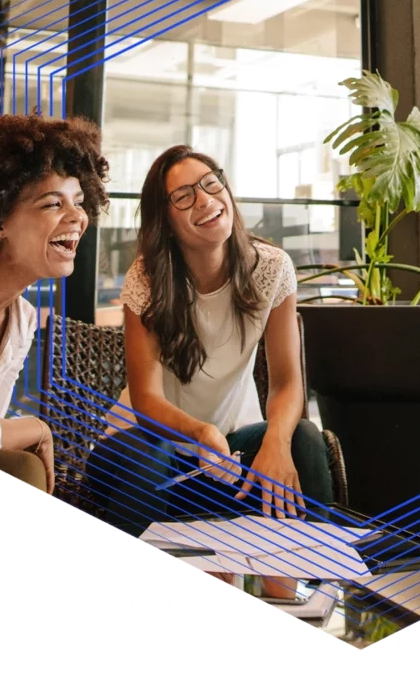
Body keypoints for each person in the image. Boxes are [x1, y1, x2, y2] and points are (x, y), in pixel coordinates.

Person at [83, 145, 334, 542]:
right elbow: (146, 401)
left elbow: (287, 383)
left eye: (211, 184)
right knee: (154, 451)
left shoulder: (271, 268)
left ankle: (320, 577)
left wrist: (276, 442)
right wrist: (200, 432)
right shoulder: (147, 279)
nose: (205, 200)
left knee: (303, 439)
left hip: (221, 459)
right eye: (184, 196)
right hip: (137, 456)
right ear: (165, 220)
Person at [0, 114, 110, 495]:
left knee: (22, 466)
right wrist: (38, 428)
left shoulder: (22, 319)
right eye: (52, 203)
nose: (77, 217)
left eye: (79, 202)